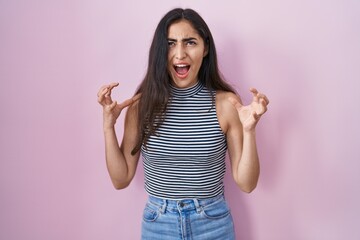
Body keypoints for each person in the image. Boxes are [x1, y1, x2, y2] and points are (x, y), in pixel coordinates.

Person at [97, 8, 269, 240]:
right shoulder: (142, 105)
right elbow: (121, 179)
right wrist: (108, 127)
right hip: (159, 224)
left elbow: (247, 184)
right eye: (170, 43)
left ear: (205, 48)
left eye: (190, 42)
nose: (180, 54)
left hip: (213, 224)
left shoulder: (227, 104)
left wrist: (249, 130)